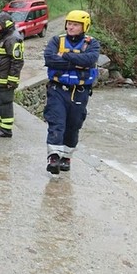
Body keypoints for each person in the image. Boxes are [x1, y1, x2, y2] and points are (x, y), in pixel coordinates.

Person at [43, 10, 100, 174]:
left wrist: (65, 57)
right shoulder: (56, 40)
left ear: (84, 27)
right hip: (58, 90)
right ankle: (53, 157)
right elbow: (49, 59)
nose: (71, 27)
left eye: (75, 24)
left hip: (79, 91)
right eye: (69, 23)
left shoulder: (92, 44)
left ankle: (66, 157)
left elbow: (90, 60)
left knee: (73, 125)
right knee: (56, 122)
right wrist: (77, 62)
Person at [0, 11, 24, 138]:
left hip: (5, 79)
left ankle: (6, 130)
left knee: (5, 103)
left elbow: (17, 61)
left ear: (5, 24)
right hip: (0, 78)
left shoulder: (12, 38)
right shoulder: (5, 36)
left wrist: (12, 81)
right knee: (0, 102)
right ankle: (1, 126)